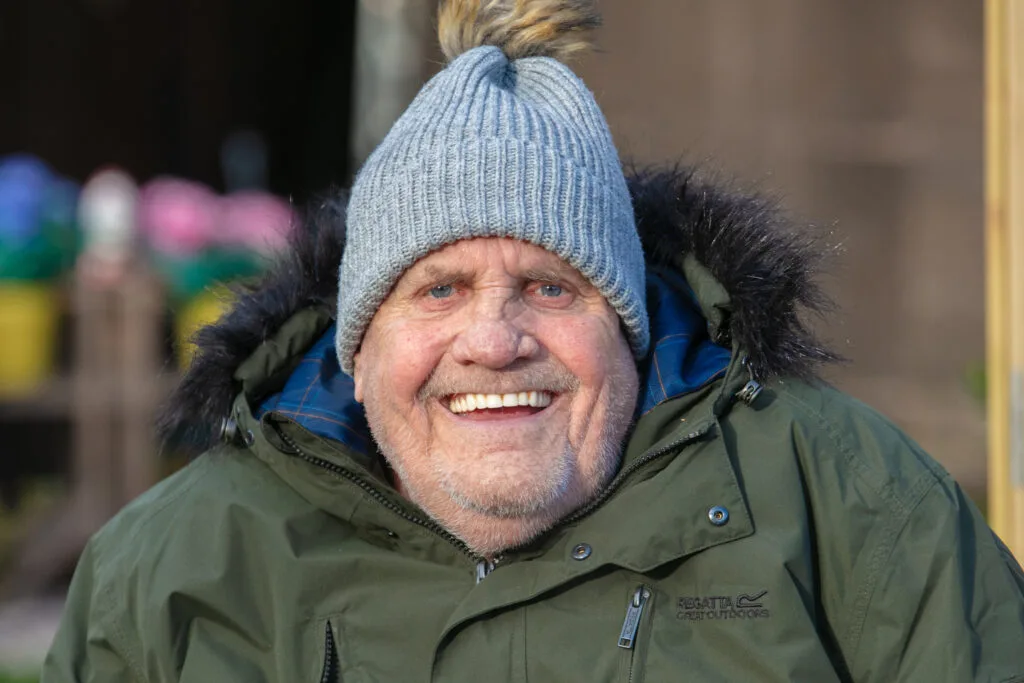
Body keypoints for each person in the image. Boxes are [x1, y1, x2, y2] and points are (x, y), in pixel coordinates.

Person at [43, 1, 1024, 681]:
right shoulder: (169, 570)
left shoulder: (845, 501)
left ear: (629, 327)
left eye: (551, 286)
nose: (494, 338)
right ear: (357, 344)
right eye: (438, 289)